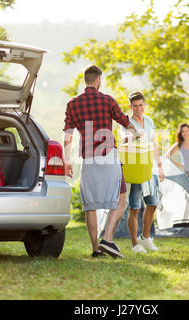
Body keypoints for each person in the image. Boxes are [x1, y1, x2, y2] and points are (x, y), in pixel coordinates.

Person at [63, 65, 136, 258]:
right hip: (108, 156)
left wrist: (66, 159)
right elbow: (124, 121)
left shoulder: (72, 104)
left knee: (91, 204)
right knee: (120, 199)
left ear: (86, 80)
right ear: (98, 80)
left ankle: (96, 249)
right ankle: (108, 238)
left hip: (88, 159)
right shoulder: (107, 100)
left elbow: (68, 135)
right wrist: (136, 132)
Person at [121, 91, 165, 253]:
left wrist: (160, 166)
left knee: (153, 203)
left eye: (141, 105)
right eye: (135, 106)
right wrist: (134, 136)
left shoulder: (149, 121)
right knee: (135, 207)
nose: (138, 109)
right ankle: (135, 244)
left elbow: (154, 143)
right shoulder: (127, 122)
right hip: (136, 167)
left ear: (144, 105)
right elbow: (123, 141)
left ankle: (145, 237)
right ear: (130, 106)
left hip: (150, 167)